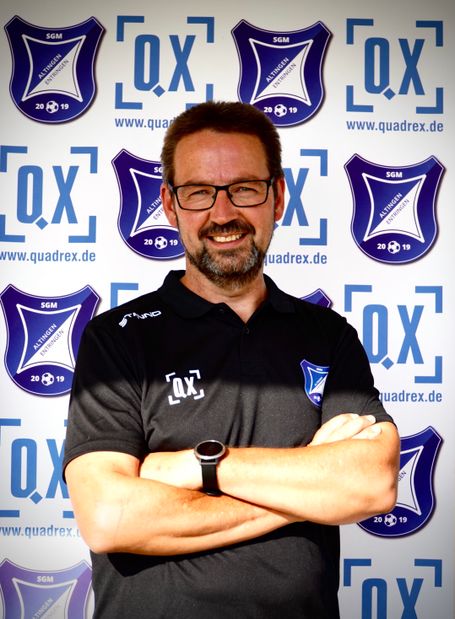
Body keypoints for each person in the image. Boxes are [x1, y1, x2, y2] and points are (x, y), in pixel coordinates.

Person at [63, 100, 399, 618]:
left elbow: (372, 483)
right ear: (170, 205)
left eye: (244, 188)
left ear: (278, 197)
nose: (222, 214)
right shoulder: (116, 339)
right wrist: (306, 493)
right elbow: (109, 516)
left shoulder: (329, 336)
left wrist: (198, 465)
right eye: (199, 192)